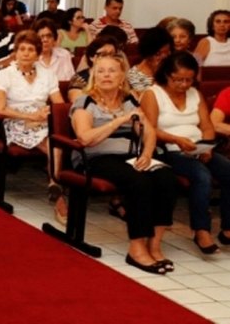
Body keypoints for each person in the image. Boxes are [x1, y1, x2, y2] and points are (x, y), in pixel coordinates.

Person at [71, 53, 177, 274]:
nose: (106, 75)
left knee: (166, 177)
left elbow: (149, 132)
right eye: (101, 71)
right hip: (96, 158)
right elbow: (85, 138)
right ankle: (136, 248)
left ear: (122, 76)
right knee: (139, 182)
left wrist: (147, 153)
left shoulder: (129, 100)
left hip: (128, 157)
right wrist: (118, 121)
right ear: (94, 76)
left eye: (112, 71)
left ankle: (154, 245)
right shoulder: (84, 102)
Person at [141, 51, 229, 253]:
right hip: (168, 149)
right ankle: (201, 230)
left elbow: (207, 126)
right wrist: (176, 140)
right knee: (202, 175)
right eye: (178, 79)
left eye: (189, 80)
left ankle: (228, 228)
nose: (183, 84)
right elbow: (149, 129)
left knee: (228, 172)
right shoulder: (153, 94)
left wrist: (207, 146)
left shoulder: (195, 94)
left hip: (198, 147)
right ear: (167, 75)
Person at [0, 30, 66, 221]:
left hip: (42, 119)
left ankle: (55, 184)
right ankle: (57, 190)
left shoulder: (48, 75)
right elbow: (0, 109)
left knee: (59, 140)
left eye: (31, 50)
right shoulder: (5, 74)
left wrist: (47, 112)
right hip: (16, 120)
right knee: (55, 145)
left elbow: (59, 104)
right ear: (15, 52)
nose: (26, 53)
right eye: (22, 49)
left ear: (38, 54)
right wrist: (29, 116)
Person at [127, 27, 173, 95]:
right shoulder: (133, 75)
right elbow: (145, 98)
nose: (164, 56)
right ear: (148, 53)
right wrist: (157, 74)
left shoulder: (172, 68)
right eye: (158, 54)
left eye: (167, 52)